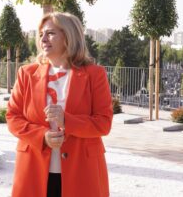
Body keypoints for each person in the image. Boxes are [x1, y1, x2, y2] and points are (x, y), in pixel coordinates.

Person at [6, 12, 113, 197]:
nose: (43, 39)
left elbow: (103, 123)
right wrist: (42, 136)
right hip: (33, 169)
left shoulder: (95, 74)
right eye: (41, 35)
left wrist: (66, 120)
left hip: (82, 172)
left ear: (68, 36)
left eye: (51, 33)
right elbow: (13, 117)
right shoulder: (26, 73)